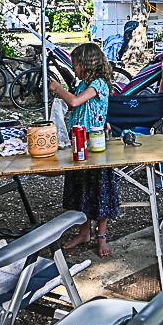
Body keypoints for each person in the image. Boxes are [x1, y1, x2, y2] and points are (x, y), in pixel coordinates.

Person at [48, 42, 117, 256]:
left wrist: (59, 89)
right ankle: (84, 232)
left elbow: (76, 102)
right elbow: (73, 104)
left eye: (76, 64)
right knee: (80, 189)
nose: (74, 68)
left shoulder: (98, 84)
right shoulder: (82, 84)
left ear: (86, 64)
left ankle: (101, 236)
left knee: (99, 189)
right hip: (78, 140)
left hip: (94, 143)